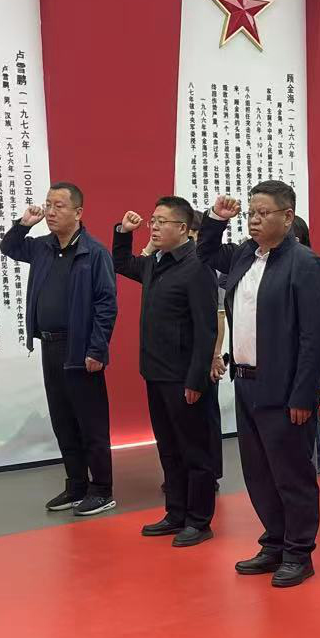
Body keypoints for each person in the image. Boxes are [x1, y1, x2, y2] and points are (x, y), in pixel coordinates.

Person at [198, 181, 320, 586]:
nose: (254, 220)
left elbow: (314, 338)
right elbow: (205, 253)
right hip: (246, 382)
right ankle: (274, 542)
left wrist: (303, 394)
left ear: (288, 217)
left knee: (292, 474)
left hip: (285, 387)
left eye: (263, 213)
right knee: (259, 472)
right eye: (251, 213)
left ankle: (299, 552)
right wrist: (216, 219)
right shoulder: (244, 255)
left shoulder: (306, 264)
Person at [0, 182, 119, 517]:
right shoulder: (43, 247)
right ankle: (76, 485)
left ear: (78, 212)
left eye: (59, 206)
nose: (51, 212)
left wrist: (97, 349)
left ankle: (102, 489)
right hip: (50, 345)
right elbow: (10, 247)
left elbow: (106, 304)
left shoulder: (94, 253)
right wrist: (24, 223)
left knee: (90, 422)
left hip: (81, 348)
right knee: (63, 420)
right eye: (48, 205)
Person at [112, 197, 222, 546]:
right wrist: (123, 233)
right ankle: (175, 513)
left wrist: (196, 379)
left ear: (184, 229)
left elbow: (206, 329)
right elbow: (121, 263)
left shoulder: (197, 267)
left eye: (163, 222)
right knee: (169, 449)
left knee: (195, 451)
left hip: (184, 377)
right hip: (156, 372)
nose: (155, 227)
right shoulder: (155, 263)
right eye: (153, 221)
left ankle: (199, 521)